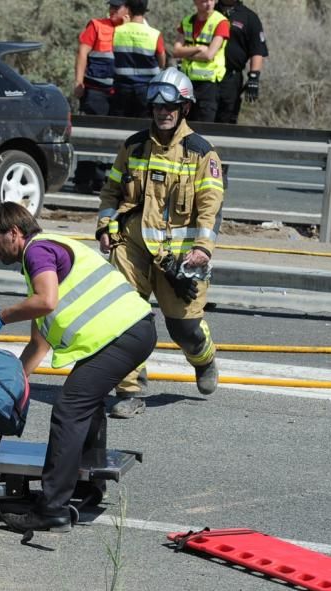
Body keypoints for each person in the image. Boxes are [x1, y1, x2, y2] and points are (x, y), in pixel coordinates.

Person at [0, 203, 155, 533]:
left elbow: (46, 302)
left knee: (69, 409)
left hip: (124, 335)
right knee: (85, 404)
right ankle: (87, 486)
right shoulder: (47, 257)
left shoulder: (38, 251)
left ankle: (52, 508)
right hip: (131, 334)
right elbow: (38, 344)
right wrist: (12, 388)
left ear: (13, 233)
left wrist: (0, 316)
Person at [97, 68, 223, 419]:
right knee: (125, 318)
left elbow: (211, 207)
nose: (163, 113)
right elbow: (111, 191)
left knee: (184, 327)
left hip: (180, 257)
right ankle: (130, 389)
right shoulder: (133, 146)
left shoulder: (201, 153)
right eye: (157, 107)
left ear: (184, 109)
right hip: (131, 245)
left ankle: (204, 358)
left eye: (171, 108)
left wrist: (203, 248)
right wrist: (105, 226)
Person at [172, 0, 230, 123]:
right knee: (182, 126)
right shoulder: (187, 21)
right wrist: (197, 48)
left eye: (212, 0)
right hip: (186, 83)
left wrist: (186, 53)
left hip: (207, 85)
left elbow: (209, 55)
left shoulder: (221, 22)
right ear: (195, 2)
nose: (209, 3)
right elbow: (176, 52)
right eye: (204, 0)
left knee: (203, 127)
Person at [214, 0, 268, 124]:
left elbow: (257, 50)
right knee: (202, 117)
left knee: (226, 118)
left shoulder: (249, 17)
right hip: (206, 77)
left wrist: (254, 78)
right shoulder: (209, 11)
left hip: (231, 78)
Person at [110, 0, 166, 119]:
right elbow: (162, 62)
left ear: (128, 9)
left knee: (119, 127)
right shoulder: (154, 34)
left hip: (122, 89)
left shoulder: (117, 31)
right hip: (147, 91)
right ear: (145, 10)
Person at [74, 0, 130, 116]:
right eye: (111, 7)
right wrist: (79, 82)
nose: (112, 10)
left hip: (121, 93)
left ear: (128, 9)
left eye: (116, 7)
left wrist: (126, 29)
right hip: (95, 90)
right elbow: (82, 53)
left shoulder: (133, 30)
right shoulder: (96, 25)